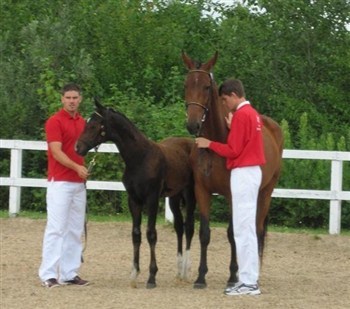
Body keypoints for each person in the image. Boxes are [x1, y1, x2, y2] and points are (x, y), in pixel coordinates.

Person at [195, 79, 265, 296]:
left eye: (225, 100)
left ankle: (248, 282)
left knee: (243, 230)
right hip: (251, 172)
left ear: (234, 95)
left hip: (243, 173)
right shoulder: (251, 114)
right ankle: (248, 278)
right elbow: (244, 143)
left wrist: (209, 144)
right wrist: (231, 127)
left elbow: (233, 150)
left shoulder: (243, 115)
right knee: (247, 230)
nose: (224, 104)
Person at [39, 83, 90, 288]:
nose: (71, 101)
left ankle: (69, 272)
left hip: (78, 183)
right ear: (62, 99)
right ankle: (48, 274)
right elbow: (56, 152)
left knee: (75, 229)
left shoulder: (83, 122)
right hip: (60, 181)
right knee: (56, 228)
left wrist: (81, 169)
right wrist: (77, 167)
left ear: (80, 99)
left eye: (75, 97)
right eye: (68, 97)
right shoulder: (54, 121)